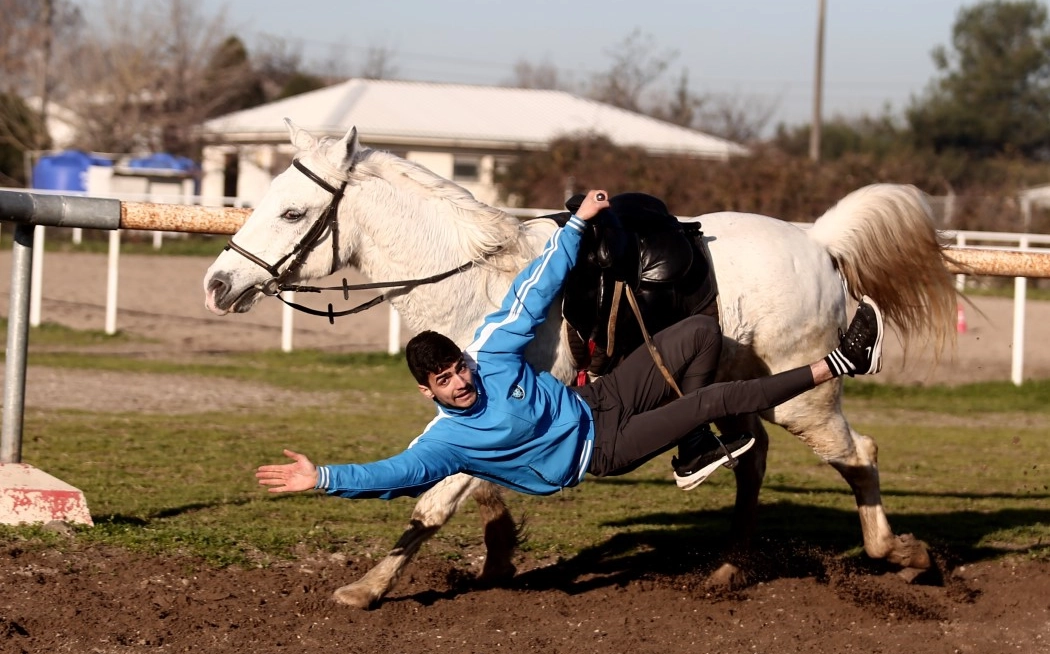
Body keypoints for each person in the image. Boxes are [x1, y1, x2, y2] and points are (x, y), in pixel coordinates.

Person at [255, 190, 885, 499]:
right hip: (598, 448)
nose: (463, 381)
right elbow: (399, 473)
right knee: (716, 400)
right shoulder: (447, 440)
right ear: (429, 393)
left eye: (459, 368)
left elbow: (535, 290)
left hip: (601, 399)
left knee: (699, 334)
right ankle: (838, 362)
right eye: (447, 382)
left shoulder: (492, 352)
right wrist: (325, 478)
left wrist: (579, 223)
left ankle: (694, 450)